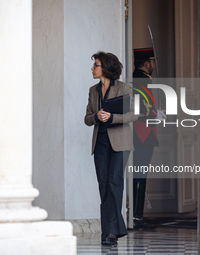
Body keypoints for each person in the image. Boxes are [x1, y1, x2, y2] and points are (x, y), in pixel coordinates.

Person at [85, 51, 137, 245]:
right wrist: (96, 116)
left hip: (120, 142)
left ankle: (111, 232)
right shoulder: (92, 90)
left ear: (105, 67)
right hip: (100, 142)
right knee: (103, 185)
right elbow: (87, 118)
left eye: (96, 65)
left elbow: (133, 114)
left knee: (114, 183)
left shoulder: (124, 88)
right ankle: (110, 230)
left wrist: (113, 118)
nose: (92, 68)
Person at [132, 48, 158, 229]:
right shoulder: (141, 79)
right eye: (153, 62)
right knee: (139, 175)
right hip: (142, 133)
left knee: (140, 175)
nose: (154, 65)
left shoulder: (143, 78)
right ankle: (136, 217)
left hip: (145, 132)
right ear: (147, 64)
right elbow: (139, 108)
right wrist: (154, 115)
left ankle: (137, 216)